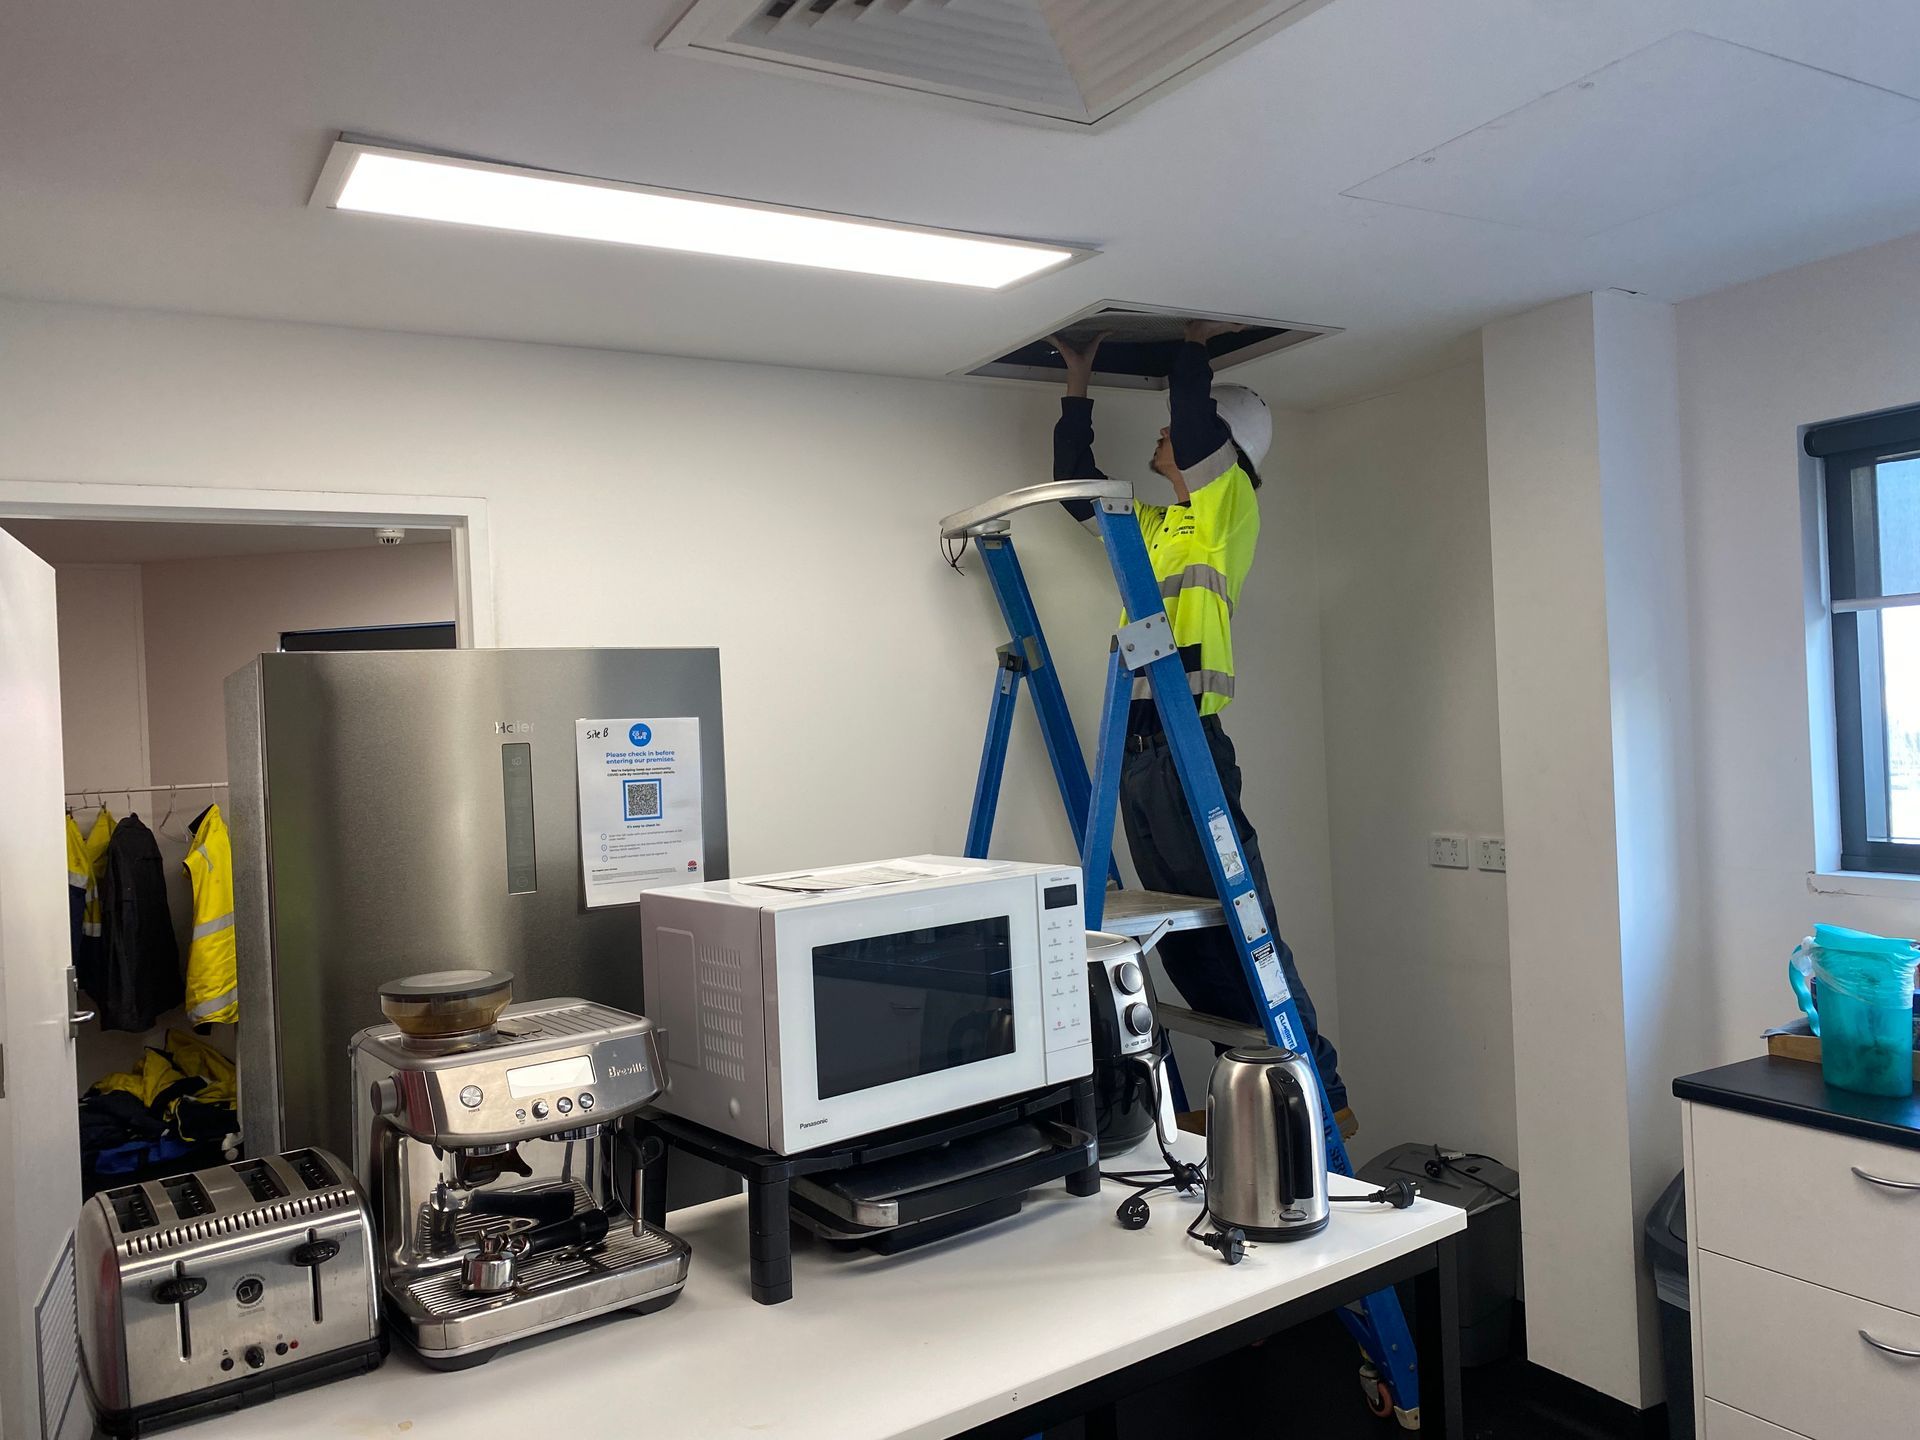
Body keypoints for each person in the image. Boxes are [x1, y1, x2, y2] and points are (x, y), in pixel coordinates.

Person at [1050, 323, 1352, 1133]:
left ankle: (1318, 1084)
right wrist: (1077, 383)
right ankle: (1247, 1071)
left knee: (1236, 912)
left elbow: (1191, 428)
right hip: (1143, 747)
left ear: (1225, 442)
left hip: (1190, 744)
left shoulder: (1228, 503)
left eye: (1179, 429)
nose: (1162, 436)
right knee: (1184, 931)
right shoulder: (1159, 525)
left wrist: (1191, 349)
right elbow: (1075, 484)